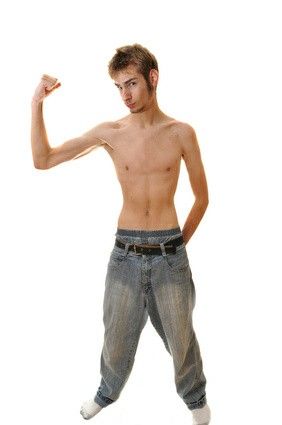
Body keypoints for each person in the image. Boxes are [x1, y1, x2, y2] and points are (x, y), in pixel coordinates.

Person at [30, 43, 211, 425]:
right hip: (124, 254)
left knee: (182, 340)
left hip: (169, 252)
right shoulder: (111, 133)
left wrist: (176, 248)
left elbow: (202, 197)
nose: (125, 94)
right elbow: (43, 159)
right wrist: (37, 103)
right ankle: (105, 393)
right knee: (115, 337)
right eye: (118, 86)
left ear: (153, 78)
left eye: (131, 83)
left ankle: (196, 400)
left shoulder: (181, 133)